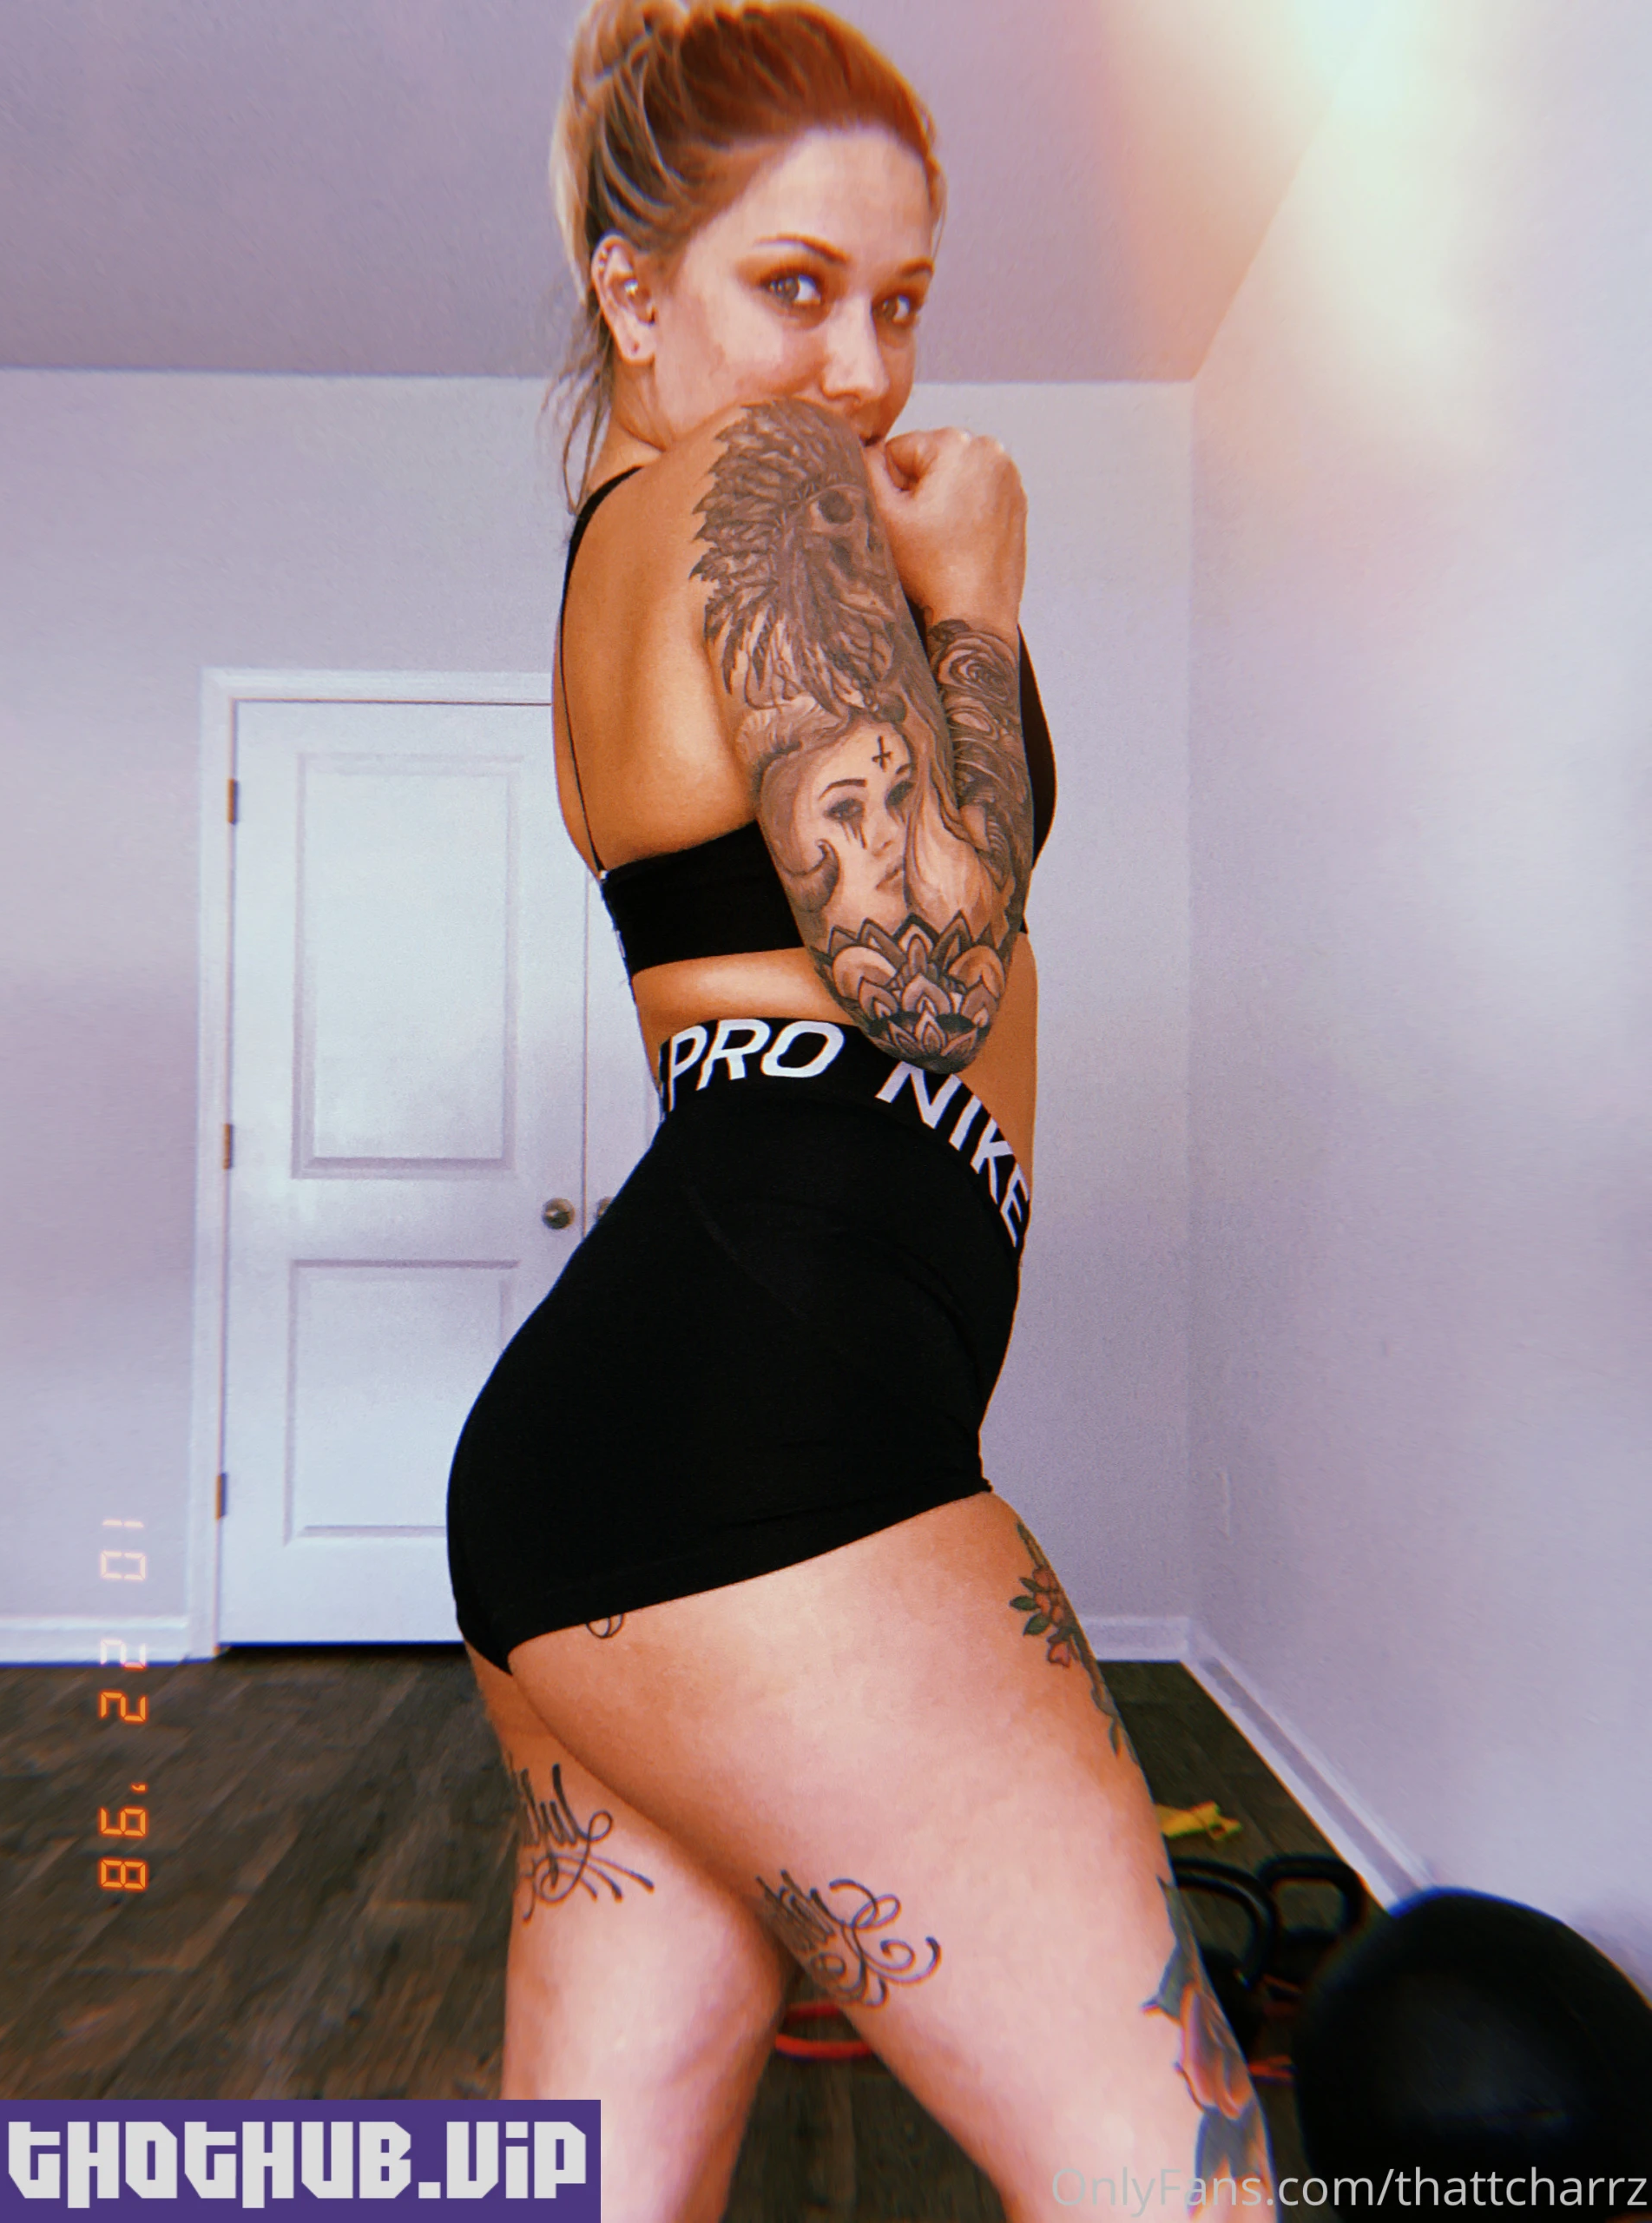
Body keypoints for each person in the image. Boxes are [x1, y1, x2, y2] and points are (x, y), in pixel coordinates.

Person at [445, 3, 1279, 2214]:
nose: (861, 365)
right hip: (769, 1450)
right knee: (1184, 2189)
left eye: (900, 301)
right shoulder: (768, 486)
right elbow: (922, 970)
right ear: (635, 289)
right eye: (794, 283)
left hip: (630, 1466)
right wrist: (982, 597)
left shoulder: (625, 536)